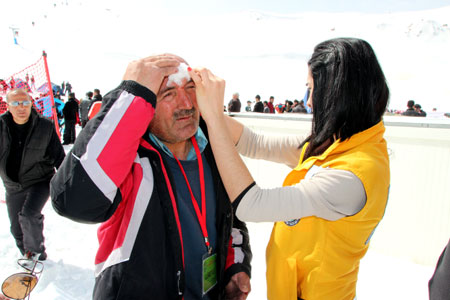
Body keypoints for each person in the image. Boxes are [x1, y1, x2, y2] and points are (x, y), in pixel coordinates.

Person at [190, 37, 390, 300]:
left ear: (335, 93)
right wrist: (203, 107)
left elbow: (253, 204)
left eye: (311, 89)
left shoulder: (353, 175)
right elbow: (255, 143)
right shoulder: (340, 144)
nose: (308, 99)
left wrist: (214, 118)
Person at [50, 54, 252, 300]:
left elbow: (232, 219)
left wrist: (235, 266)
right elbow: (74, 200)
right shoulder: (128, 160)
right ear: (144, 104)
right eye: (168, 94)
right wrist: (129, 93)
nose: (186, 103)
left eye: (191, 89)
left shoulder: (213, 150)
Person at [0, 88, 65, 262]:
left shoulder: (45, 126)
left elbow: (59, 157)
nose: (21, 107)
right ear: (8, 106)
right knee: (16, 229)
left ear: (31, 103)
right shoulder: (1, 126)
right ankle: (26, 254)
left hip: (40, 180)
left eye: (25, 102)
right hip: (12, 184)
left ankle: (37, 254)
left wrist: (68, 183)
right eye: (16, 103)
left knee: (29, 215)